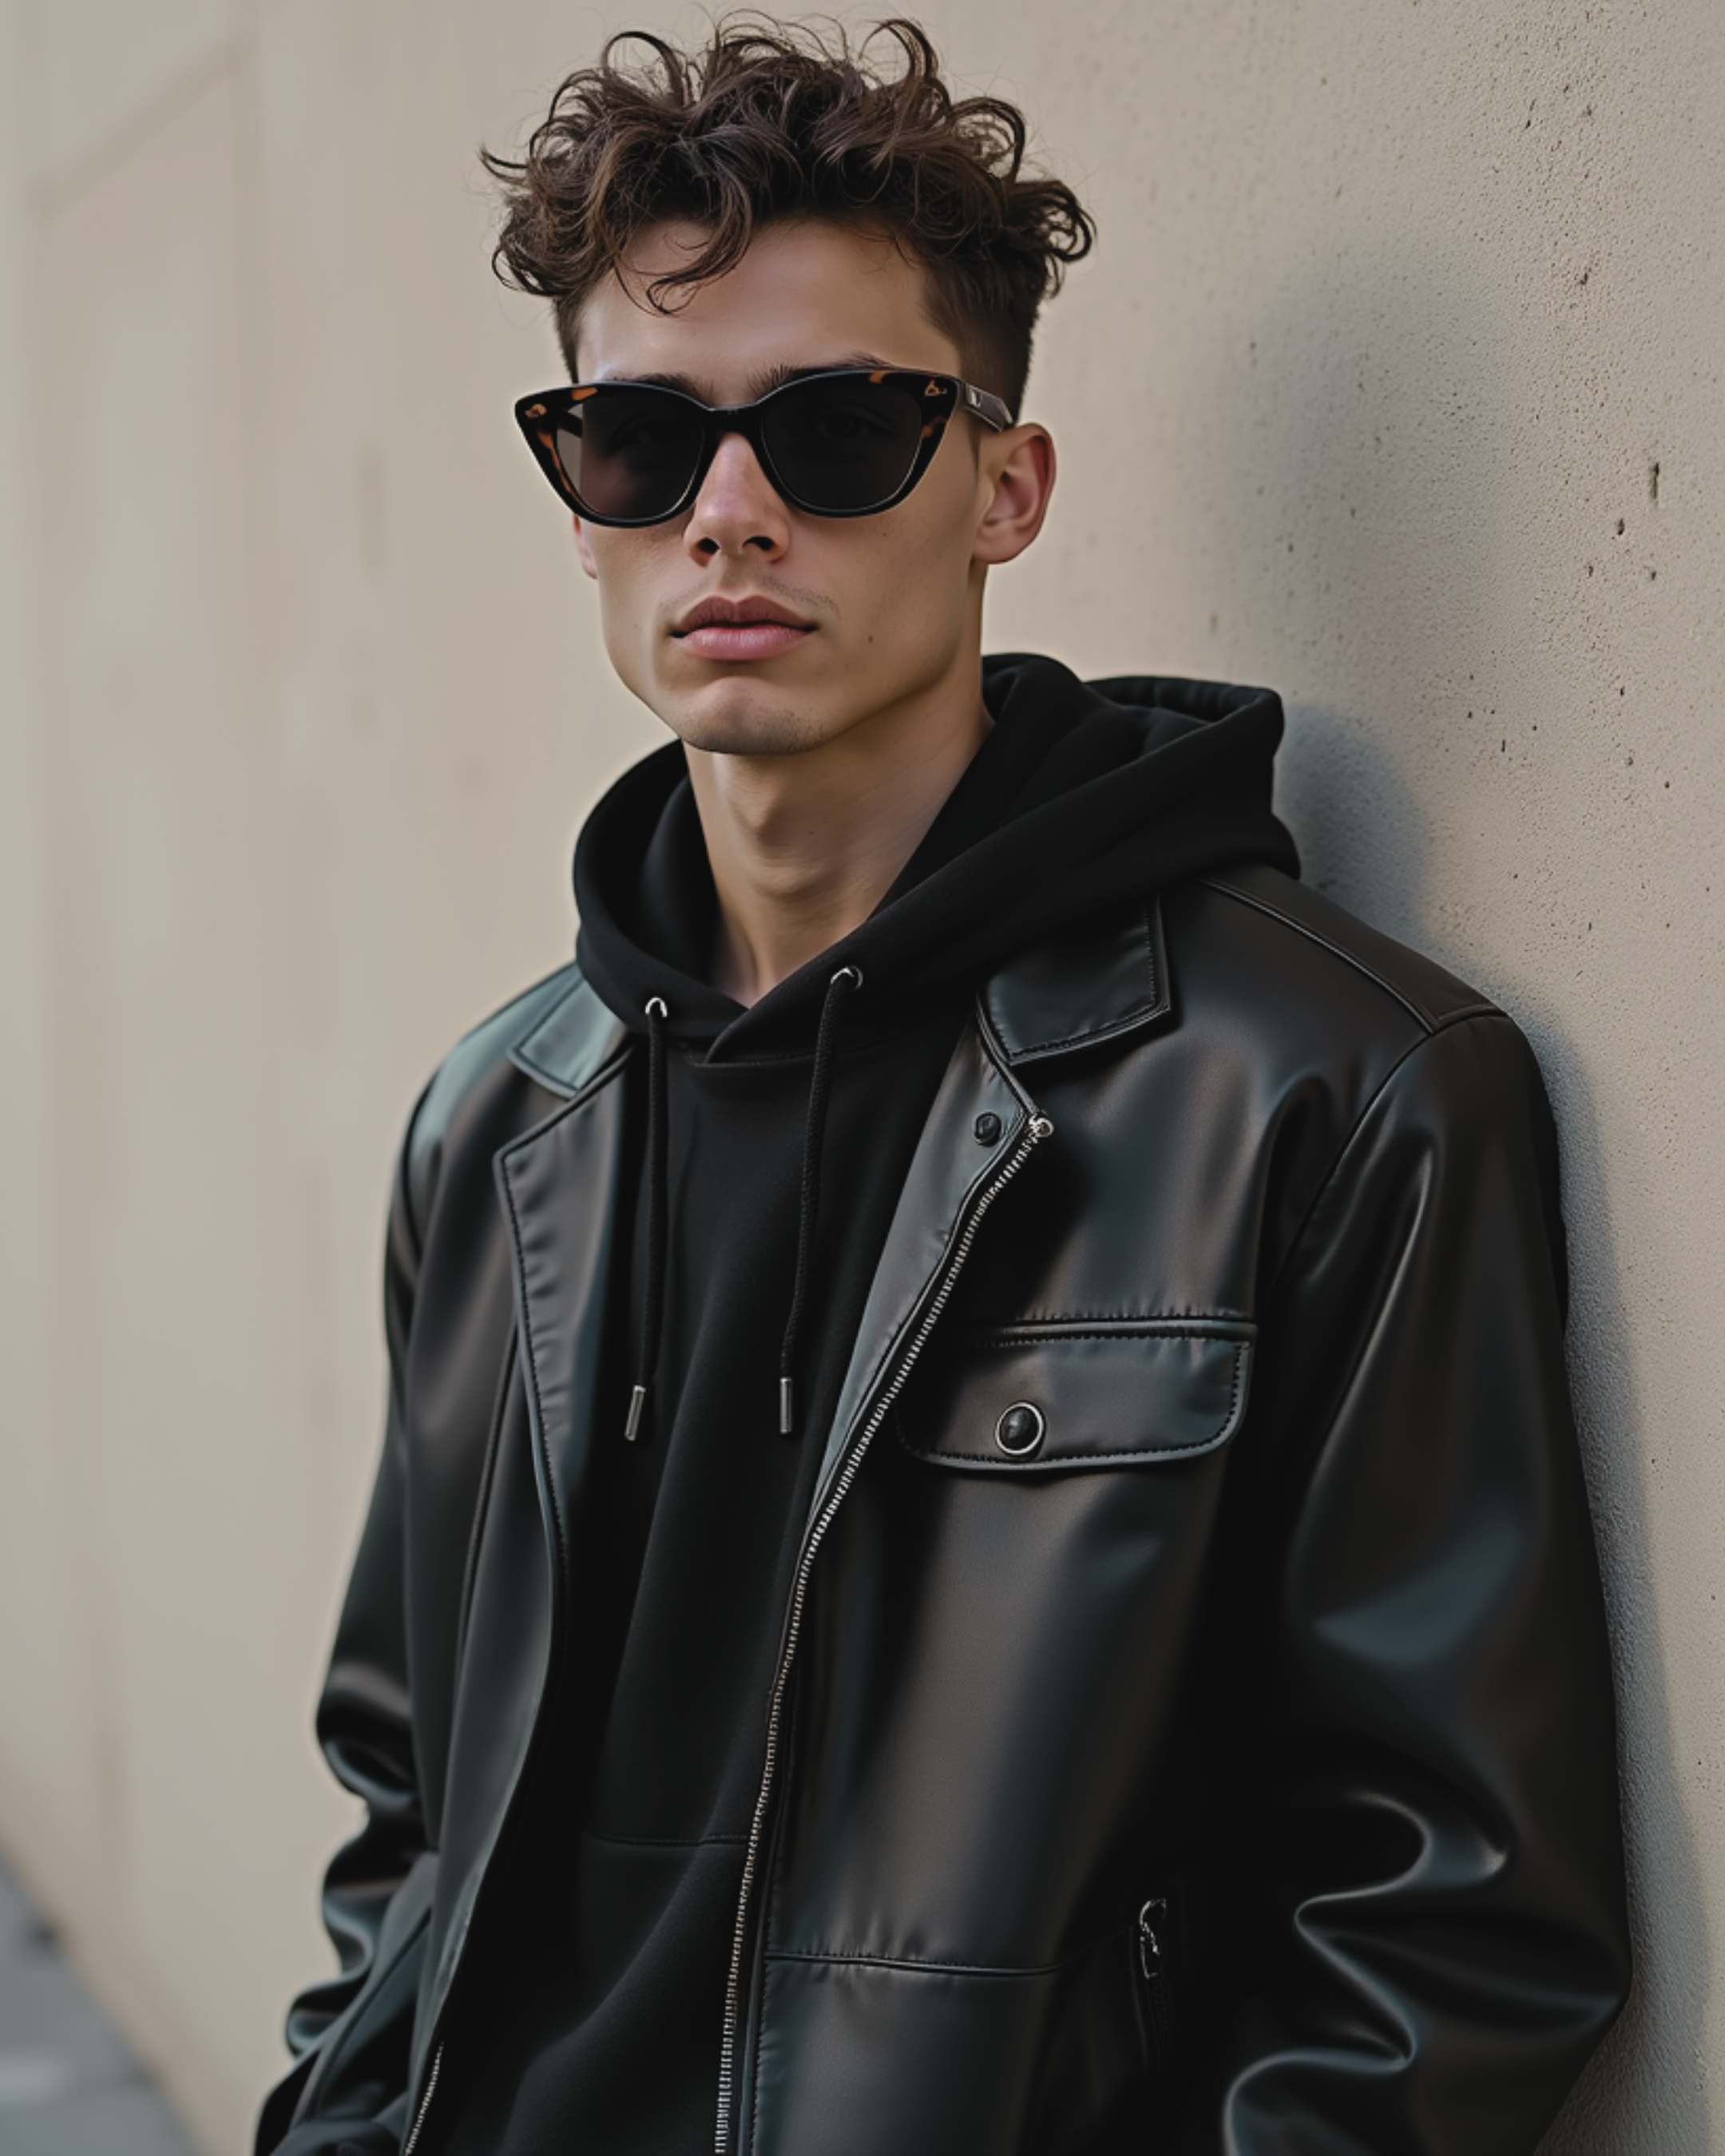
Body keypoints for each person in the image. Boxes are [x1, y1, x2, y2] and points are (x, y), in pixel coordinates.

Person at [256, 20, 1630, 2155]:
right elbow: (410, 1817)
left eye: (836, 430)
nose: (726, 514)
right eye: (637, 440)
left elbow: (1447, 1924)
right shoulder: (499, 1123)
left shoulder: (1326, 1097)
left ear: (1008, 485)